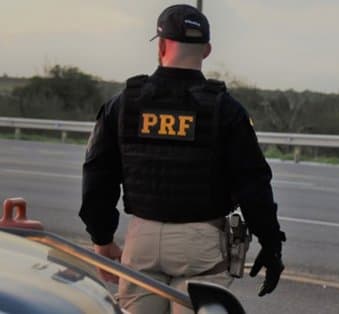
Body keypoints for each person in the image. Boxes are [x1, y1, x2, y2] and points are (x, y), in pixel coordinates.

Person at [79, 4, 286, 313]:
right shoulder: (226, 110)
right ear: (207, 50)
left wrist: (102, 238)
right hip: (201, 243)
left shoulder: (122, 105)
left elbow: (97, 178)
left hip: (142, 241)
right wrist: (271, 244)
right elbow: (253, 185)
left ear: (161, 45)